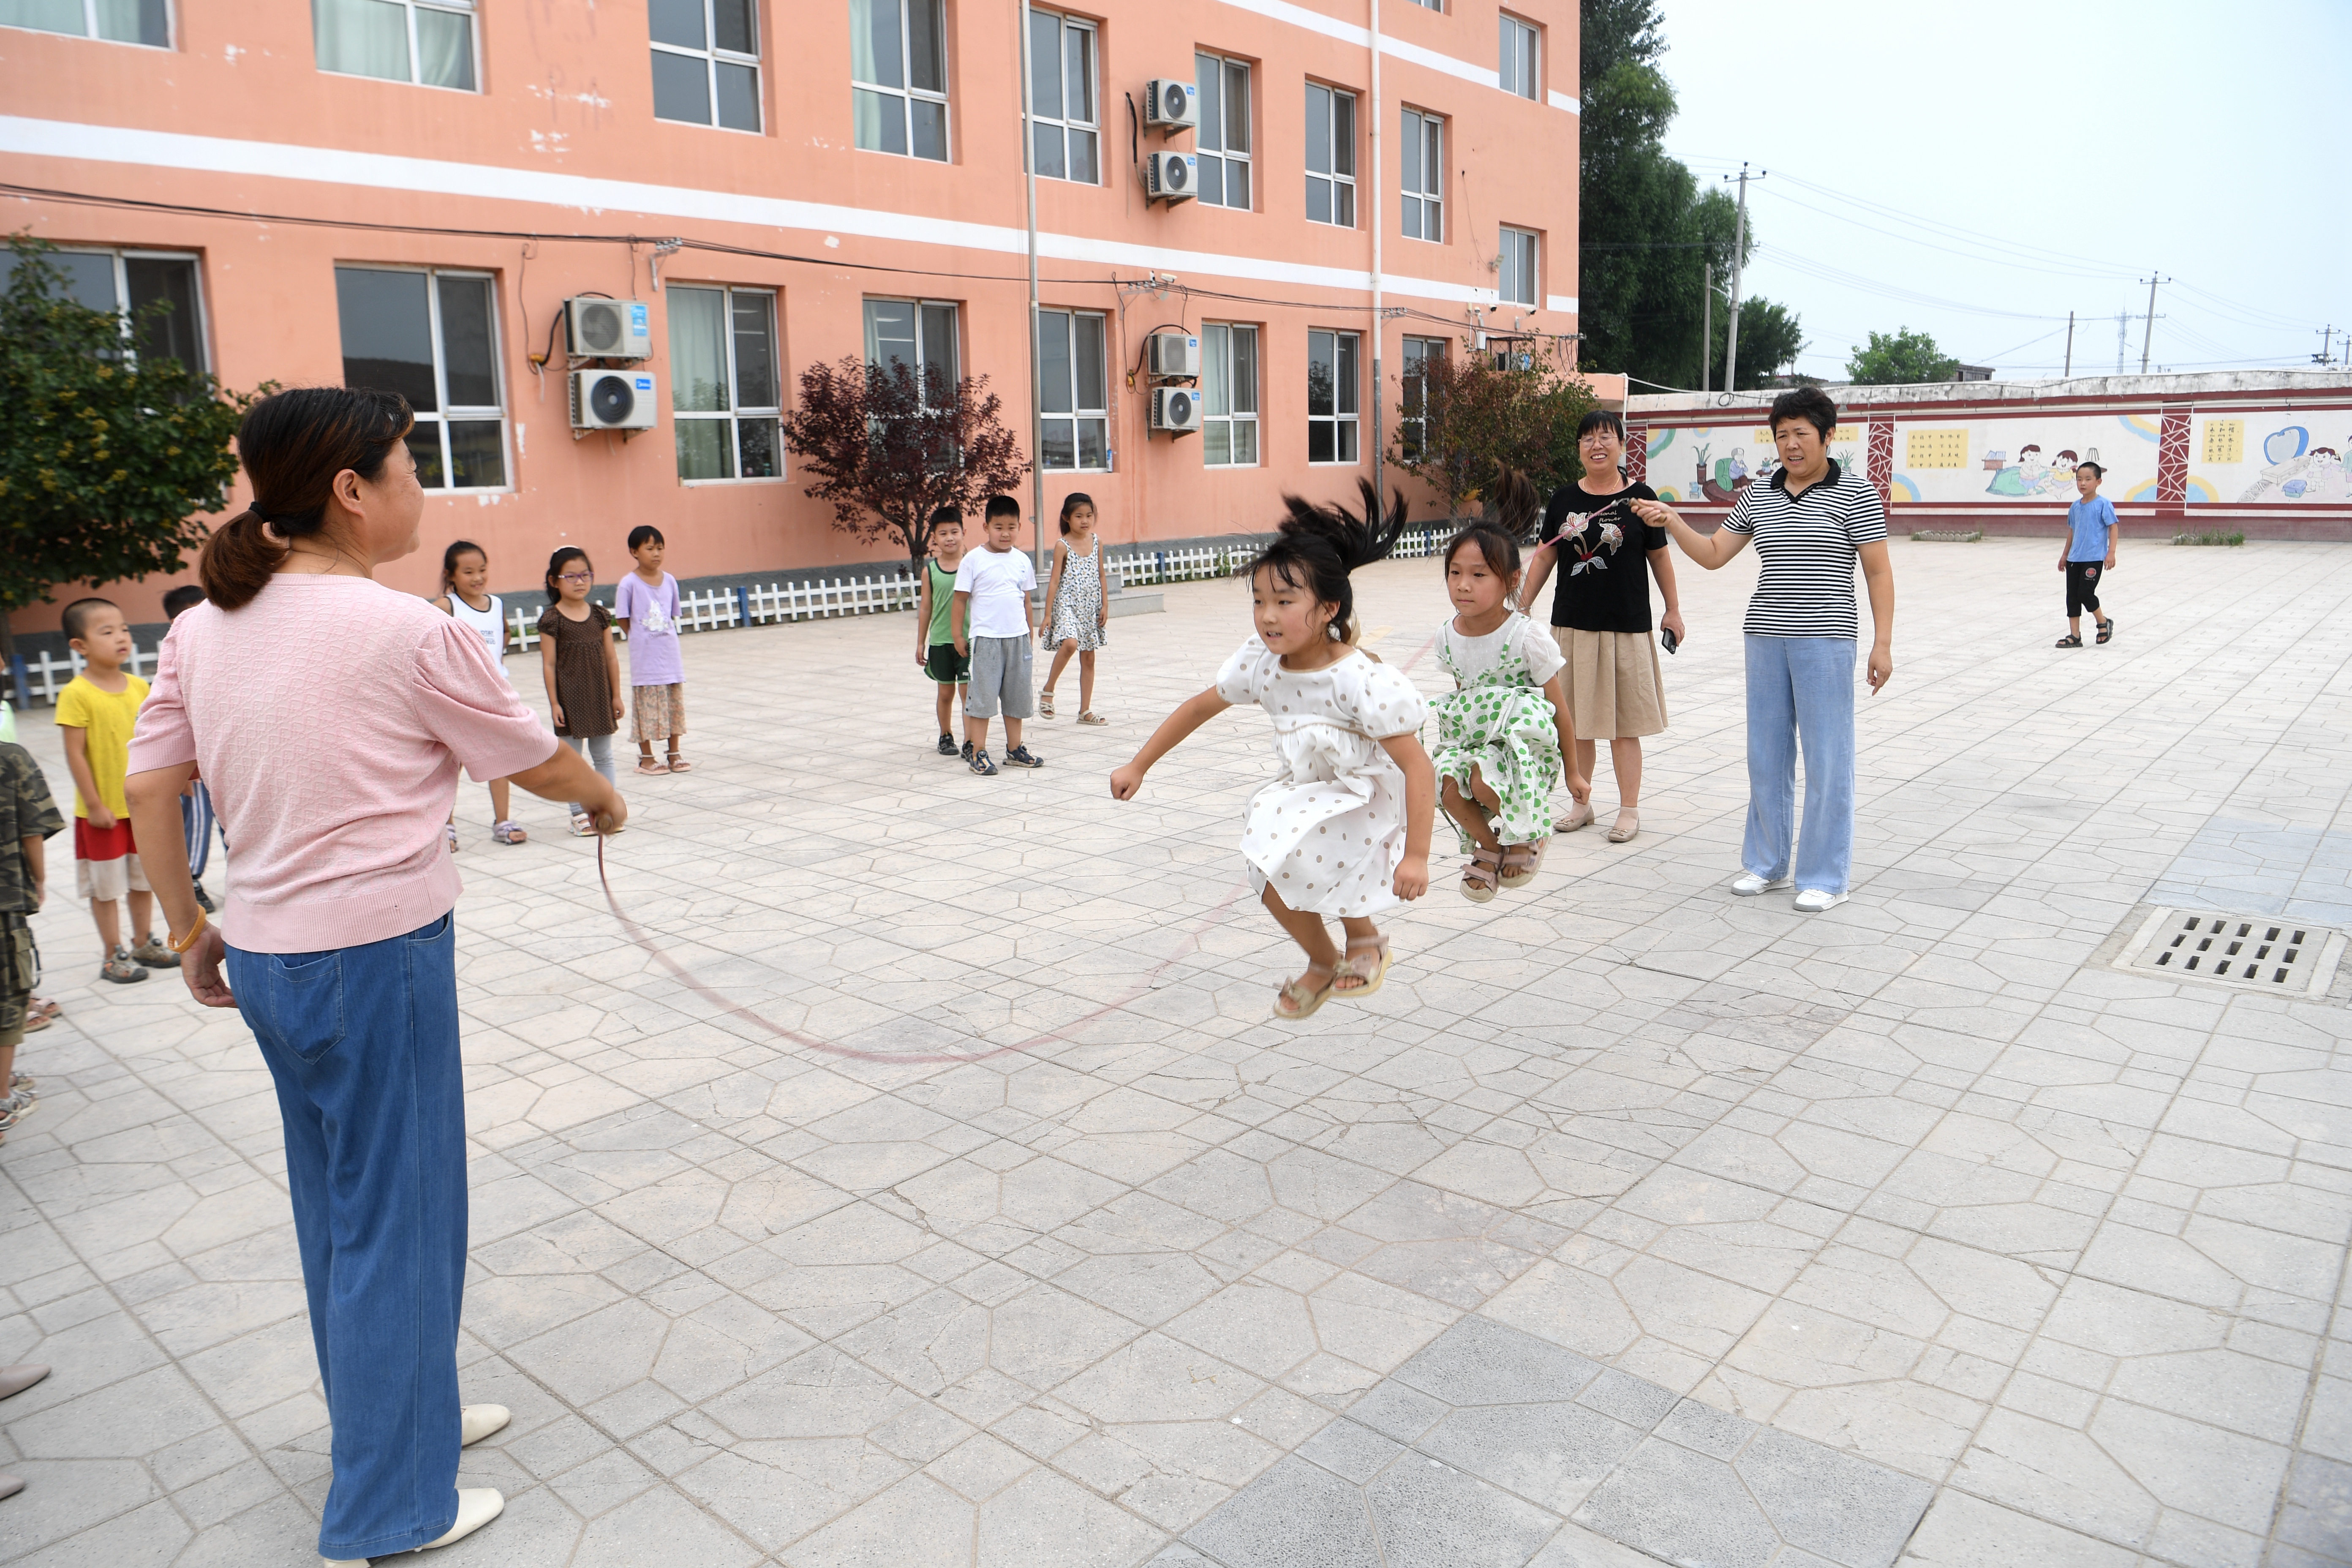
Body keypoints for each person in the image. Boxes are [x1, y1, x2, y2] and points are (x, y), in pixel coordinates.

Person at [122, 385, 626, 1567]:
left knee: (347, 1210)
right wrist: (603, 796)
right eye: (405, 467)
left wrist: (196, 922)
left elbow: (154, 789)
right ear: (350, 492)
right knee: (399, 1219)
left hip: (272, 955)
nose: (417, 491)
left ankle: (413, 1418)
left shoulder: (204, 627)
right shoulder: (408, 631)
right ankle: (391, 1509)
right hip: (376, 959)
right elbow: (537, 763)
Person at [1111, 481, 1435, 1018]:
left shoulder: (1358, 680)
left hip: (1366, 793)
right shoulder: (1261, 665)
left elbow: (1416, 765)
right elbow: (1199, 706)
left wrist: (1418, 854)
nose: (1267, 615)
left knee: (1332, 852)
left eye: (1285, 602)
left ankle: (1365, 940)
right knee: (1265, 866)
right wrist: (1139, 764)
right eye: (1259, 600)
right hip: (1308, 789)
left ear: (1329, 607)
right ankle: (1323, 959)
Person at [1634, 386, 1895, 913]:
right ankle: (1767, 864)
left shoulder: (1858, 494)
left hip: (1827, 639)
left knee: (1827, 759)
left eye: (1801, 433)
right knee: (1767, 755)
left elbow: (1878, 570)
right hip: (1765, 636)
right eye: (1782, 435)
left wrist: (1882, 643)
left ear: (1828, 436)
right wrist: (1673, 519)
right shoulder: (1758, 495)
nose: (1791, 445)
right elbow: (1712, 554)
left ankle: (1826, 875)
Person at [1520, 409, 1685, 845]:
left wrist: (1673, 609)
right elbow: (1545, 557)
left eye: (1606, 437)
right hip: (1573, 625)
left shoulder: (1641, 498)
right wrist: (1521, 607)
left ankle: (1629, 809)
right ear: (1579, 449)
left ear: (1621, 444)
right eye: (1588, 438)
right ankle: (1582, 803)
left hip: (1628, 625)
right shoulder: (1562, 501)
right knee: (1576, 722)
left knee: (1624, 724)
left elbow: (1661, 558)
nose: (1597, 445)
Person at [1431, 479, 1588, 901]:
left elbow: (1559, 708)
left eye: (1479, 575)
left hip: (1524, 740)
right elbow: (1465, 695)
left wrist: (1574, 771)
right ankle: (1491, 845)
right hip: (1478, 733)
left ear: (1511, 580)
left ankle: (1530, 831)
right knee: (1447, 786)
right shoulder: (1447, 636)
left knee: (1482, 780)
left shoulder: (1526, 637)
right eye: (1455, 573)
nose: (1463, 585)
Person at [55, 599, 178, 983]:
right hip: (102, 814)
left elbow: (156, 742)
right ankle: (113, 955)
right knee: (106, 887)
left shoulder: (141, 686)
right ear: (80, 646)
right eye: (106, 632)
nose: (120, 637)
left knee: (144, 880)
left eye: (123, 628)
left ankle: (143, 942)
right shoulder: (76, 693)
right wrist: (93, 804)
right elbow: (74, 754)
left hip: (140, 810)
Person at [429, 543, 526, 846]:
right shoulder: (445, 607)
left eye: (482, 570)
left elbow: (504, 633)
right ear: (451, 575)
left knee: (501, 760)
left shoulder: (496, 604)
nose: (477, 578)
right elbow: (424, 640)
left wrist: (495, 660)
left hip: (496, 696)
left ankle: (503, 821)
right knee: (450, 765)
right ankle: (446, 828)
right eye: (468, 572)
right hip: (459, 699)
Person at [0, 730, 63, 1147]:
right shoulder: (11, 758)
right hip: (4, 902)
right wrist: (38, 880)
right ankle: (3, 1097)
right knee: (8, 993)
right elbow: (31, 832)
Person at [952, 495, 1044, 776]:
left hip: (1018, 639)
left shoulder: (1021, 560)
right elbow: (960, 600)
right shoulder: (973, 560)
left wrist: (1029, 632)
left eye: (1012, 527)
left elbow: (1026, 600)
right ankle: (978, 752)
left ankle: (1015, 749)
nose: (1005, 533)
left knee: (1017, 697)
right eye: (999, 527)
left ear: (1019, 528)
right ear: (986, 526)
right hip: (987, 640)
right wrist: (958, 635)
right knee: (982, 699)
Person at [538, 548, 623, 836]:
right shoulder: (553, 620)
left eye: (585, 575)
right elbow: (549, 664)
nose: (580, 582)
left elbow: (611, 657)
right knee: (572, 761)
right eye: (571, 576)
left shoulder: (600, 615)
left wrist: (616, 695)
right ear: (554, 581)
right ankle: (578, 814)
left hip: (599, 695)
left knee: (604, 755)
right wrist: (554, 704)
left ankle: (606, 808)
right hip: (569, 700)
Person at [162, 585, 225, 903]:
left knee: (235, 824)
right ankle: (193, 878)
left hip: (229, 759)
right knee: (198, 821)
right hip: (197, 763)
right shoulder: (177, 659)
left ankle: (240, 873)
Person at [612, 525, 690, 773]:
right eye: (650, 548)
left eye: (660, 548)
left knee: (673, 703)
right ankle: (646, 758)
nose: (656, 554)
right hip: (645, 659)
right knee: (646, 706)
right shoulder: (629, 584)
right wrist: (640, 638)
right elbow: (623, 619)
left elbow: (672, 615)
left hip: (669, 655)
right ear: (635, 552)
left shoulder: (670, 581)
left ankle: (674, 754)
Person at [1039, 492, 1111, 724]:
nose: (1085, 521)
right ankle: (1048, 689)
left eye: (1089, 516)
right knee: (1070, 644)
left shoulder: (1097, 541)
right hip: (1068, 604)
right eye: (1079, 516)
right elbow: (1054, 581)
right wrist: (1048, 614)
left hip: (1090, 606)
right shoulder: (1062, 546)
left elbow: (1101, 574)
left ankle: (1085, 711)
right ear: (1066, 518)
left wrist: (1105, 605)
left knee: (1089, 658)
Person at [914, 506, 971, 758]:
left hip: (969, 641)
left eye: (955, 532)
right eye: (943, 533)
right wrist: (921, 643)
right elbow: (926, 608)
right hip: (940, 641)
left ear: (963, 533)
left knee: (968, 692)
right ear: (934, 538)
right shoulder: (931, 571)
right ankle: (946, 735)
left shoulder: (973, 565)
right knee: (946, 692)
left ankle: (971, 739)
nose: (950, 538)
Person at [2057, 460, 2117, 647]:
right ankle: (2075, 636)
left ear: (2098, 482)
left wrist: (2111, 553)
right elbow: (2072, 532)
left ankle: (2103, 622)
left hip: (2094, 558)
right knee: (2072, 597)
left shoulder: (2104, 504)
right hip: (2075, 559)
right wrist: (2065, 555)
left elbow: (2113, 527)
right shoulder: (2075, 507)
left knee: (2085, 592)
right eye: (2079, 479)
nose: (2083, 483)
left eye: (2088, 479)